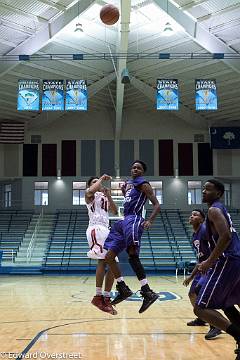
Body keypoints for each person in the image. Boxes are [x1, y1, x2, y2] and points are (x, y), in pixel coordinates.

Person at [104, 160, 160, 313]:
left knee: (132, 254)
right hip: (124, 220)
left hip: (134, 219)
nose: (135, 169)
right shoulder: (129, 185)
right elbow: (129, 200)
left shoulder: (144, 184)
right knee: (109, 256)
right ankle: (123, 288)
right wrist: (123, 190)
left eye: (139, 168)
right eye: (133, 167)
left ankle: (147, 291)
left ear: (142, 171)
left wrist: (150, 220)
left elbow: (156, 204)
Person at [193, 179, 240, 359]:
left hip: (227, 260)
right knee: (227, 305)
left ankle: (238, 335)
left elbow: (226, 236)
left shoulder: (214, 210)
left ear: (219, 193)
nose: (204, 191)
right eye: (203, 189)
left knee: (200, 309)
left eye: (208, 189)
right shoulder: (218, 209)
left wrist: (209, 261)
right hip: (234, 260)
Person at [183, 209, 221, 340]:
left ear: (202, 219)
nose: (191, 216)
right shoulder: (195, 235)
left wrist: (210, 263)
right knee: (192, 294)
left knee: (200, 293)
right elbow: (200, 259)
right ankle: (202, 317)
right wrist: (191, 276)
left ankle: (215, 324)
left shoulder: (205, 231)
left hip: (211, 267)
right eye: (191, 214)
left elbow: (215, 250)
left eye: (195, 215)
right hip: (202, 268)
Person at [85, 174, 118, 315]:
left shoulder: (103, 197)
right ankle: (99, 296)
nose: (98, 184)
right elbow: (90, 191)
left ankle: (105, 297)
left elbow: (115, 211)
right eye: (94, 182)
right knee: (103, 260)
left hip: (106, 229)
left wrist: (109, 195)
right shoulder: (89, 196)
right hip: (95, 228)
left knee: (113, 263)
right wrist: (100, 180)